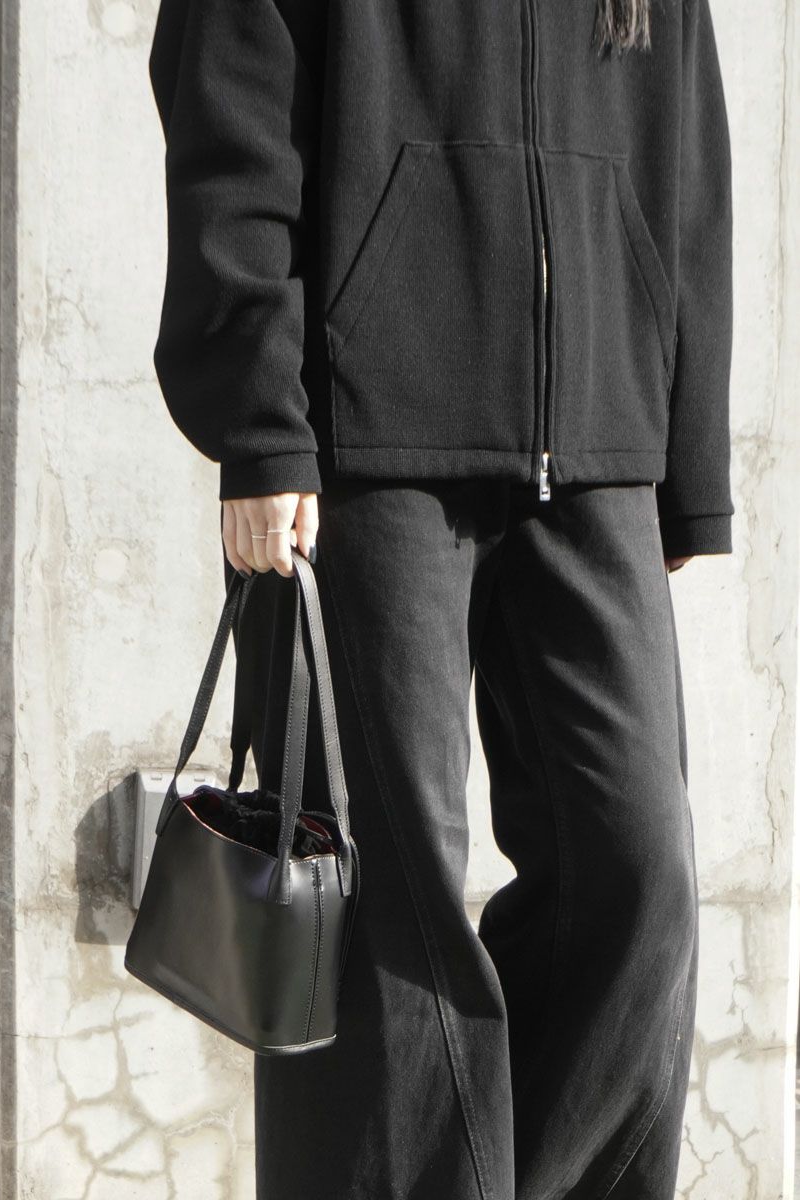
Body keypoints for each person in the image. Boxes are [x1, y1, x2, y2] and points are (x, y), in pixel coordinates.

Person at [146, 0, 734, 1193]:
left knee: (638, 880)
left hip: (599, 440)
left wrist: (686, 464)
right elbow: (231, 100)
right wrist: (260, 428)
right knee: (387, 906)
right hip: (363, 443)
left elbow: (688, 145)